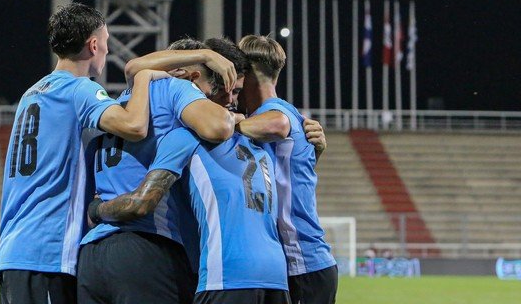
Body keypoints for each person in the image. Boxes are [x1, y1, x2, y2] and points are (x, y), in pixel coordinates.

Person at [88, 38, 295, 303]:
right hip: (271, 274)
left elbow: (141, 202)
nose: (230, 99)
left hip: (102, 254)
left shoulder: (135, 113)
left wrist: (97, 210)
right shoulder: (255, 139)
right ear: (190, 77)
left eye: (236, 91)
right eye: (225, 88)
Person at [0, 2, 169, 304]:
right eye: (107, 43)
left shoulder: (31, 93)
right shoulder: (78, 89)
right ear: (93, 44)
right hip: (46, 253)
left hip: (14, 251)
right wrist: (143, 78)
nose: (107, 51)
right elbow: (135, 126)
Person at [76, 38, 240, 304]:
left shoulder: (117, 107)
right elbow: (216, 127)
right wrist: (237, 119)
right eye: (212, 91)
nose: (217, 100)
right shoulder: (175, 88)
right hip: (144, 249)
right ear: (191, 74)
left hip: (92, 256)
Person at [237, 34, 337, 304]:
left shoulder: (276, 115)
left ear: (247, 74)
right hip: (290, 265)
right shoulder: (292, 116)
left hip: (303, 263)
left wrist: (223, 124)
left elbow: (278, 124)